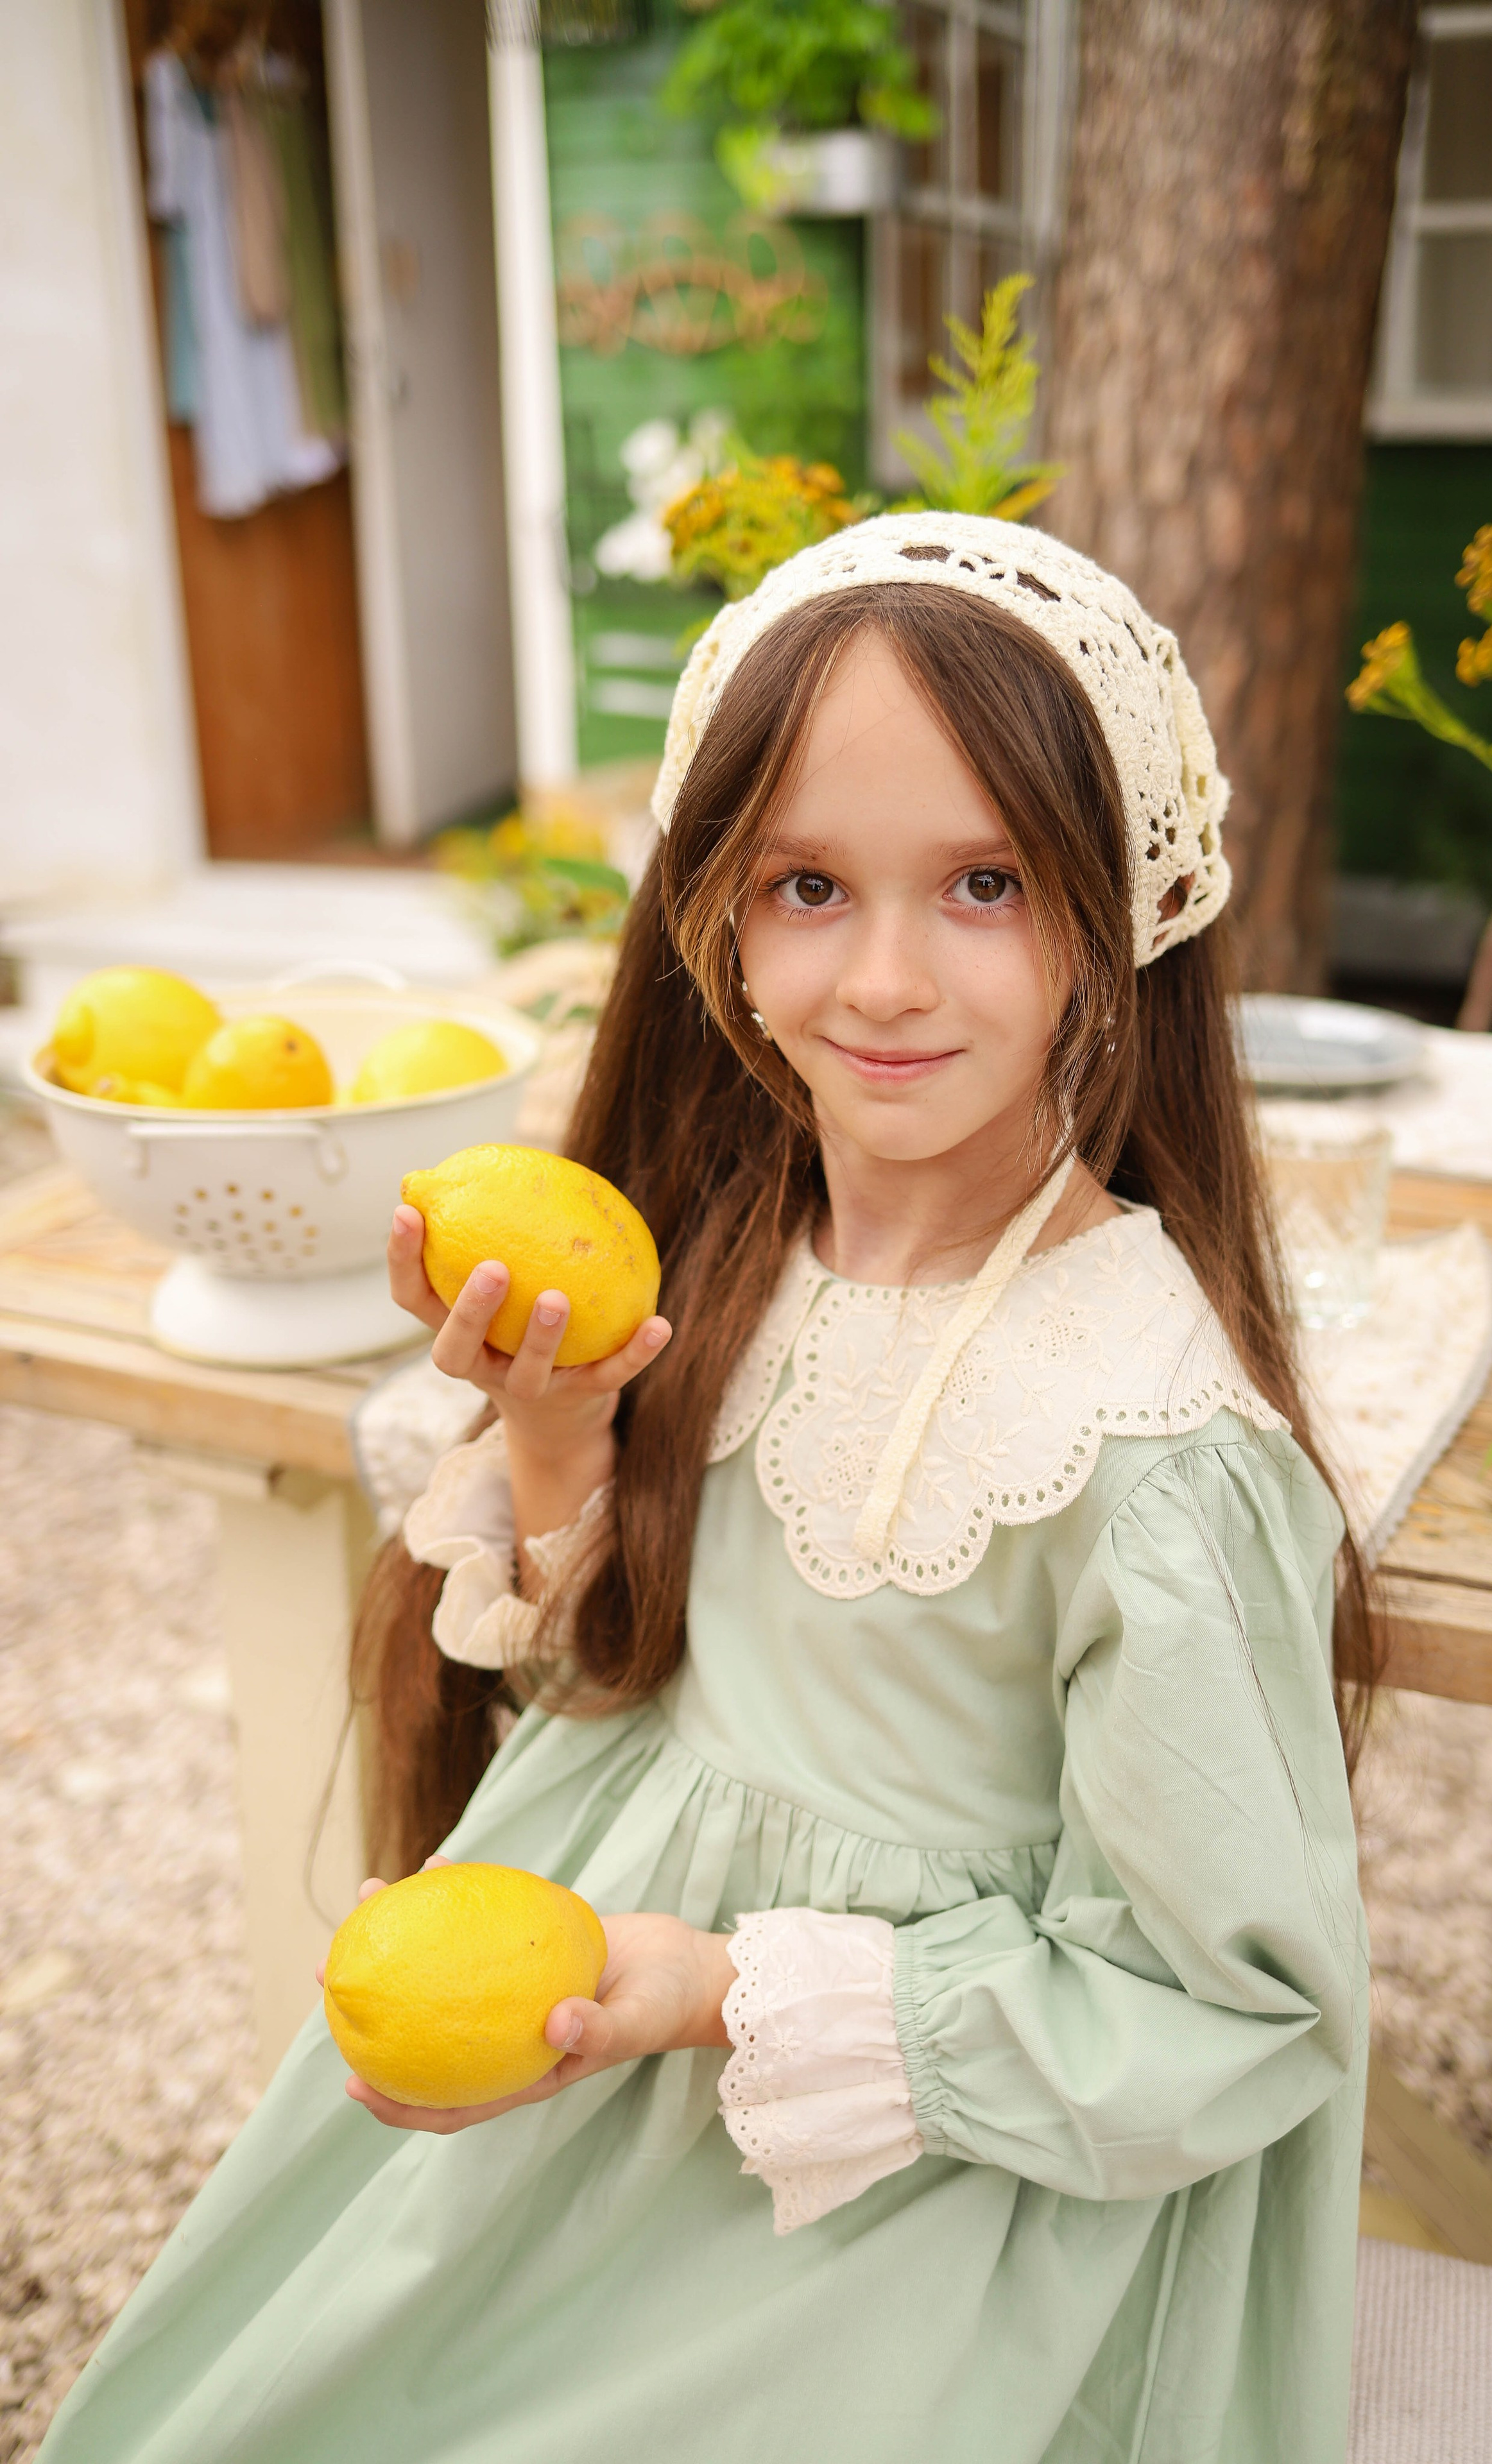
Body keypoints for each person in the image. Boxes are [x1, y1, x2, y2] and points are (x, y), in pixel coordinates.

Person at [42, 515, 1372, 2464]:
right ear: (714, 919)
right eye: (808, 885)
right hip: (603, 2050)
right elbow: (640, 1695)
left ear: (1118, 911)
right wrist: (558, 1443)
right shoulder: (725, 1251)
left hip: (919, 2173)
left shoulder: (1148, 1442)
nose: (888, 977)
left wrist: (724, 1990)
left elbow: (1232, 2011)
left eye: (987, 883)